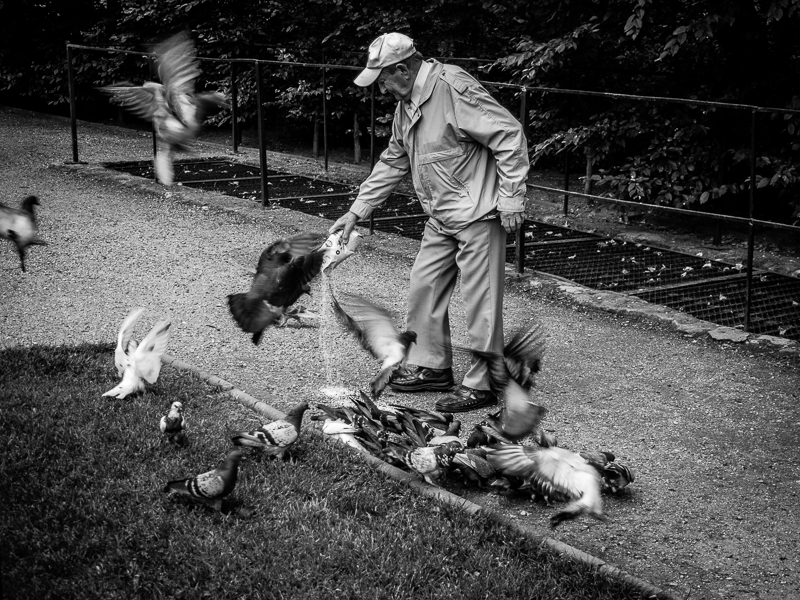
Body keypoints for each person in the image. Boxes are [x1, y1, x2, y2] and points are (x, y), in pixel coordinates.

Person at [328, 32, 529, 413]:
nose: (382, 89)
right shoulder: (407, 105)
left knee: (481, 301)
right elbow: (394, 160)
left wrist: (511, 198)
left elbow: (508, 135)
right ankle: (432, 366)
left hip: (478, 213)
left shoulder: (453, 87)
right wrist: (356, 211)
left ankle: (484, 383)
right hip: (440, 214)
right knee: (424, 284)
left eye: (384, 80)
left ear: (403, 70)